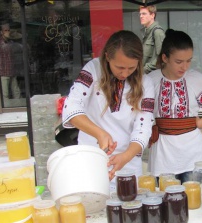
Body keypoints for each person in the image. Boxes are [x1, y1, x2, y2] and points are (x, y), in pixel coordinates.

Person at [61, 30, 155, 181]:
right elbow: (71, 108)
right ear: (107, 57)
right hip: (92, 158)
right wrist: (100, 134)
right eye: (119, 67)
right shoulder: (93, 69)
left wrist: (126, 156)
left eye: (131, 68)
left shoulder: (146, 83)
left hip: (128, 163)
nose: (125, 74)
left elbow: (143, 128)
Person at [147, 29, 202, 183]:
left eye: (188, 60)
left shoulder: (195, 79)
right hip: (162, 152)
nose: (184, 67)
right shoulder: (151, 80)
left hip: (192, 152)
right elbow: (138, 110)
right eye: (179, 61)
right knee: (165, 199)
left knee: (194, 198)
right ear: (164, 57)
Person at [0, 23, 21, 101]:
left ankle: (18, 105)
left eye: (8, 30)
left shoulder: (11, 42)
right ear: (1, 32)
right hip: (4, 71)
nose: (7, 32)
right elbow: (4, 49)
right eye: (5, 30)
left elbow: (19, 49)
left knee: (16, 92)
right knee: (5, 94)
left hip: (12, 70)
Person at [140, 5, 165, 74]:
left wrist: (143, 71)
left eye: (144, 14)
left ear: (152, 15)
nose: (141, 16)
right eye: (140, 14)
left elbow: (160, 58)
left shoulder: (158, 32)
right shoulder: (146, 32)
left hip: (152, 75)